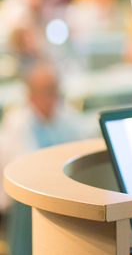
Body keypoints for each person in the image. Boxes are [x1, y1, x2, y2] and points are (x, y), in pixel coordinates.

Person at [0, 62, 93, 255]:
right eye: (47, 90)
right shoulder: (18, 122)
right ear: (31, 93)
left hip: (57, 195)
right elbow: (29, 170)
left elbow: (84, 142)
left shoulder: (63, 115)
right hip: (18, 206)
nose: (53, 96)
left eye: (55, 89)